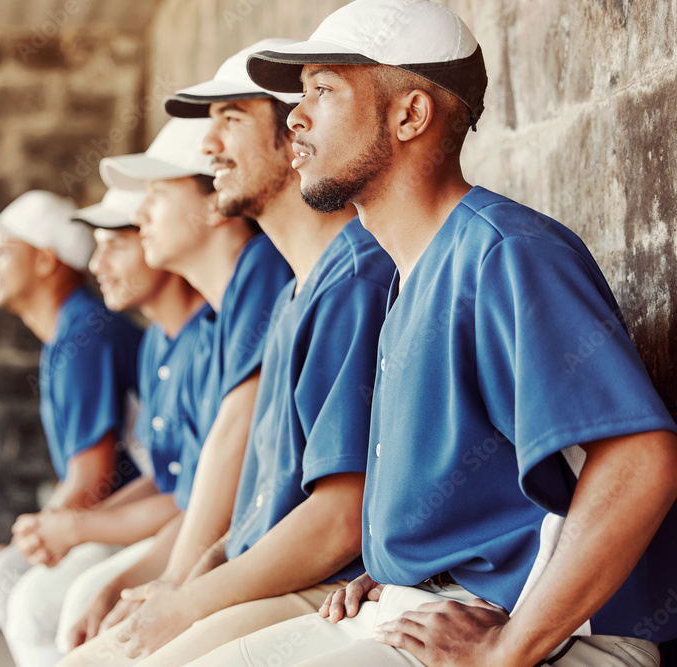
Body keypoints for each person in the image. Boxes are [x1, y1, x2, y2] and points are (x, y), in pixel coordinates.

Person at [188, 1, 677, 665]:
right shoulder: (407, 271)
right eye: (301, 93)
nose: (296, 117)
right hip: (420, 611)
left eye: (323, 91)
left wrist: (509, 648)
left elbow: (641, 462)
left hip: (561, 640)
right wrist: (402, 565)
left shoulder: (506, 253)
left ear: (410, 115)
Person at [57, 39, 395, 667]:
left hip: (330, 588)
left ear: (294, 136)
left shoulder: (355, 277)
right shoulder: (297, 287)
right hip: (269, 574)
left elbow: (339, 518)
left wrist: (188, 597)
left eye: (232, 120)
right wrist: (185, 582)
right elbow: (249, 501)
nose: (210, 146)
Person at [56, 116, 295, 665]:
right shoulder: (220, 310)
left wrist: (173, 588)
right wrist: (154, 580)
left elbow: (232, 441)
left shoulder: (259, 269)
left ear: (213, 202)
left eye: (158, 194)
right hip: (234, 555)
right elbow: (191, 492)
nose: (140, 216)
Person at [0, 186, 212, 667]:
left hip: (188, 532)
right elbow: (170, 477)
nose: (99, 264)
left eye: (117, 242)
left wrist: (71, 529)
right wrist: (65, 529)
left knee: (39, 594)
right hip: (156, 518)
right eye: (97, 245)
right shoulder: (158, 338)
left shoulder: (90, 333)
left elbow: (95, 480)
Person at [0, 190, 144, 666]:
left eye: (2, 249)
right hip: (123, 516)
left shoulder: (86, 334)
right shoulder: (71, 331)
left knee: (13, 580)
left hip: (139, 520)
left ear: (45, 261)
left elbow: (91, 479)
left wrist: (35, 538)